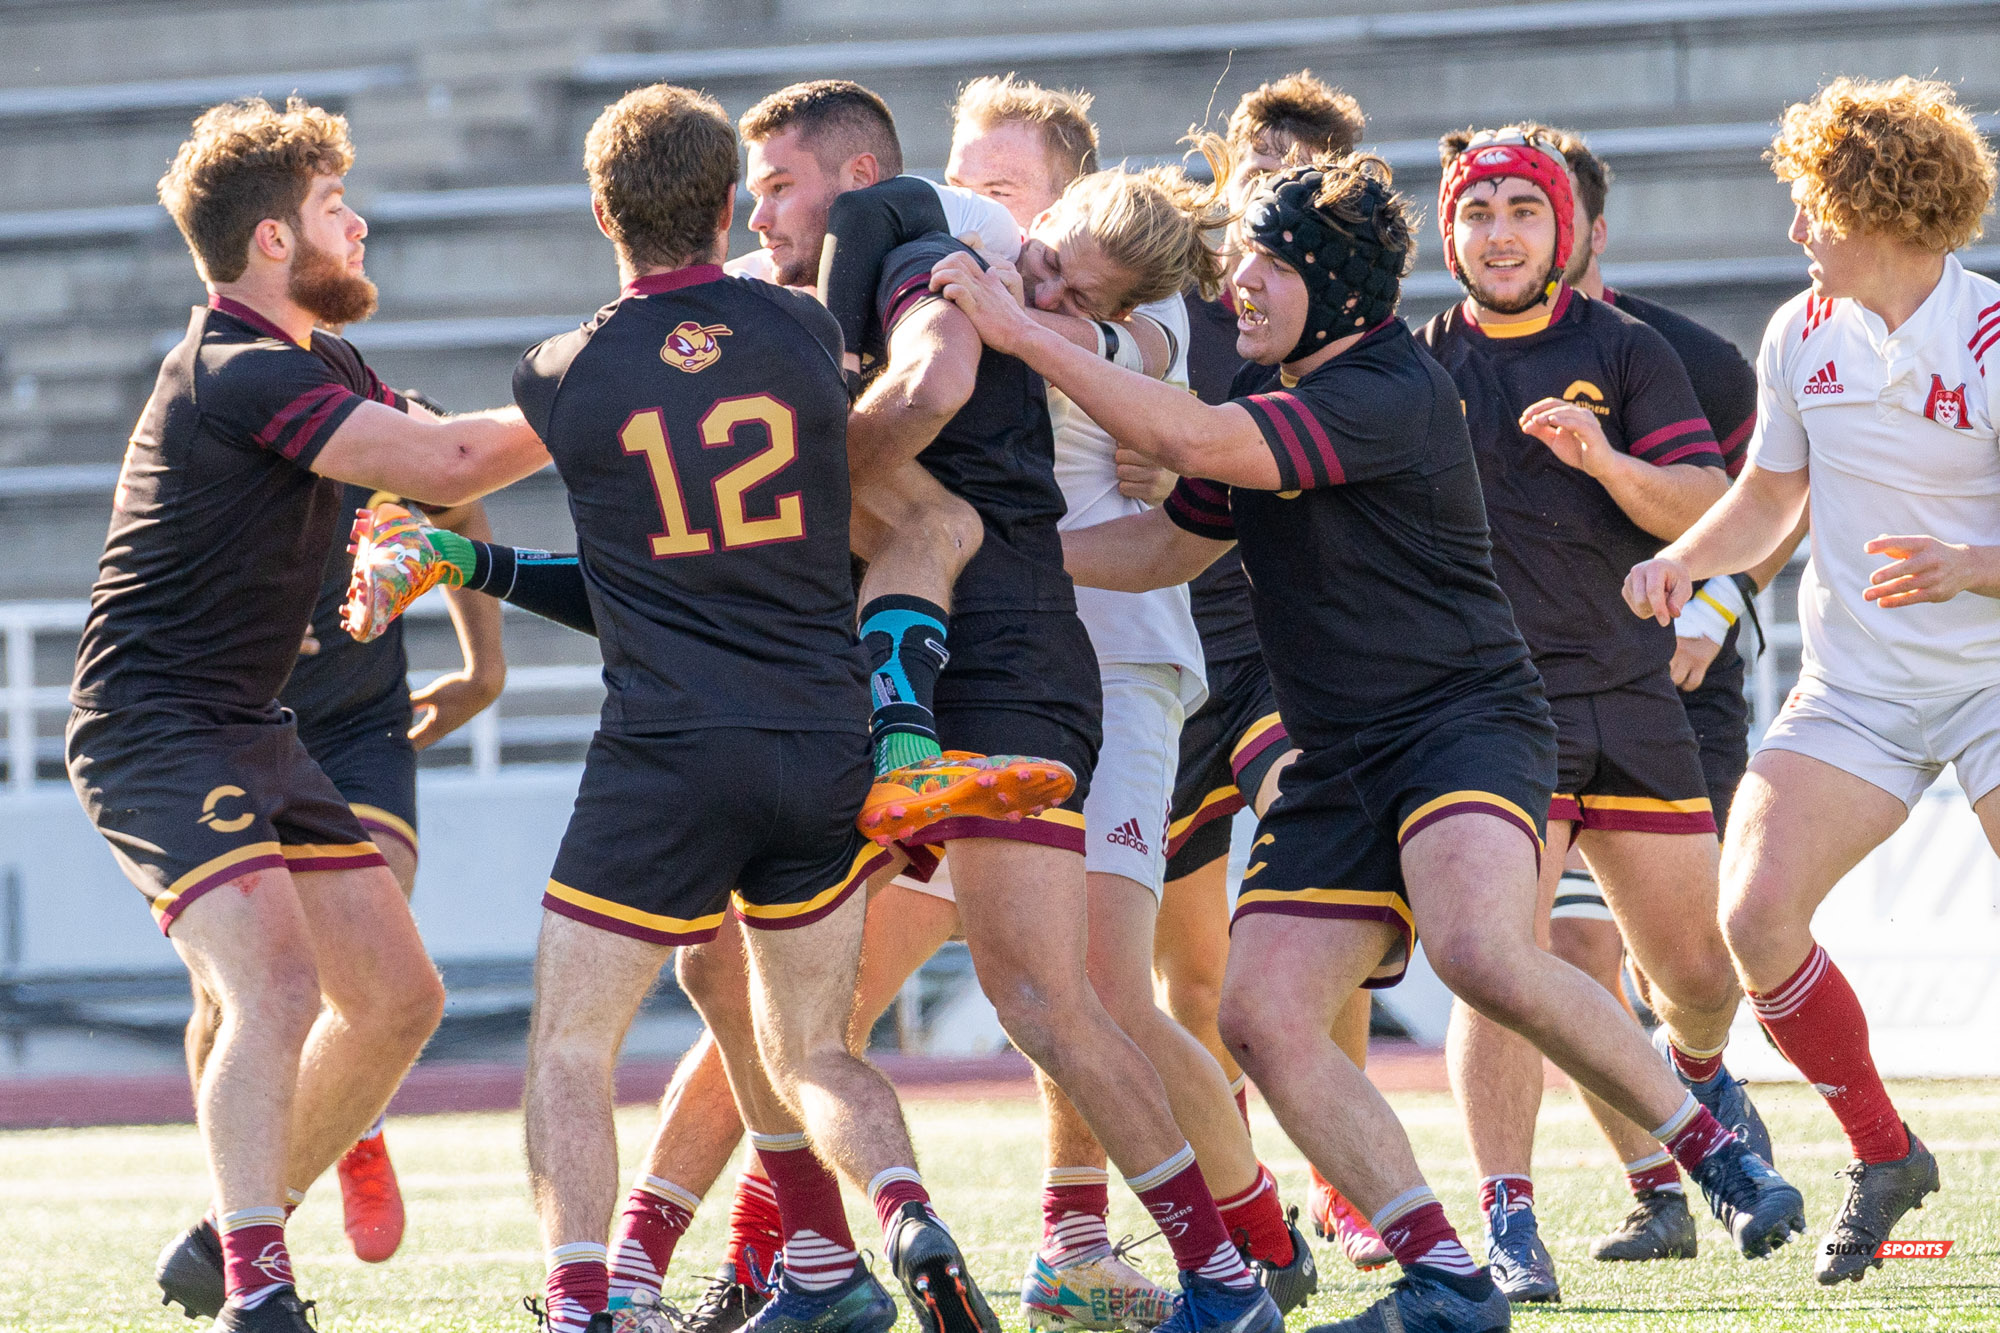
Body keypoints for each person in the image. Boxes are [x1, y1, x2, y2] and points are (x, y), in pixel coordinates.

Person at [931, 151, 1807, 1333]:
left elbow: (1192, 443)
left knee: (1480, 950)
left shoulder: (1382, 388)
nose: (1234, 284)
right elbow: (1156, 550)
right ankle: (1443, 1272)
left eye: (1265, 264)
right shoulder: (1278, 391)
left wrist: (1013, 329)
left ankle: (1715, 1150)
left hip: (1460, 725)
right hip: (1339, 754)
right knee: (1259, 1015)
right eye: (1238, 259)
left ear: (1335, 286)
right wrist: (990, 557)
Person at [68, 96, 549, 1329]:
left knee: (399, 1000)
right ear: (276, 242)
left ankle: (225, 1229)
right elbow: (446, 469)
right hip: (154, 724)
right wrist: (610, 375)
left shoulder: (317, 361)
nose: (362, 222)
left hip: (250, 720)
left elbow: (441, 469)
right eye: (338, 208)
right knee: (273, 986)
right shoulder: (237, 369)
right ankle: (258, 1292)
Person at [1624, 74, 1997, 1285]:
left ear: (1880, 205)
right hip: (1856, 690)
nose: (1794, 231)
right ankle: (1882, 1154)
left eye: (1812, 206)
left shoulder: (1990, 335)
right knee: (1751, 918)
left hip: (1992, 674)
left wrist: (1964, 566)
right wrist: (1683, 560)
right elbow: (1770, 496)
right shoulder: (1799, 332)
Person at [1413, 125, 1766, 1302]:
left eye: (1522, 209)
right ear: (1447, 232)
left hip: (1629, 692)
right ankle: (1506, 1219)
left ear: (1564, 230)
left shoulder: (1626, 349)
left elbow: (1708, 503)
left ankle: (1696, 1076)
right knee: (1494, 962)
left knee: (1698, 976)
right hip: (1494, 712)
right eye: (1478, 211)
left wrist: (1605, 461)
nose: (1499, 232)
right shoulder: (1417, 364)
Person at [1532, 124, 1807, 1265]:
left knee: (1683, 969)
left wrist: (1713, 606)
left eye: (1550, 219)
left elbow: (1774, 507)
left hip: (1679, 692)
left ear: (1591, 229)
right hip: (1544, 698)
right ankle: (1658, 1183)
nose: (1532, 242)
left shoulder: (1685, 356)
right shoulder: (1460, 359)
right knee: (1559, 956)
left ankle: (1695, 1079)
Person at [1167, 70, 1390, 1272]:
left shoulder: (1348, 322)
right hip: (1159, 643)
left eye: (1295, 177)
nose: (1265, 187)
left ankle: (1346, 1184)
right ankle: (1239, 1196)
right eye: (1253, 166)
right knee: (1187, 968)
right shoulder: (1168, 292)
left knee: (1309, 876)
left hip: (1276, 646)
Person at [179, 477, 505, 1267]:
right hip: (230, 717)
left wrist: (484, 666)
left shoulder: (386, 423)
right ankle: (238, 1207)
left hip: (360, 725)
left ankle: (356, 1120)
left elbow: (458, 501)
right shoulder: (197, 430)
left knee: (374, 911)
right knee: (229, 993)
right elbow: (141, 579)